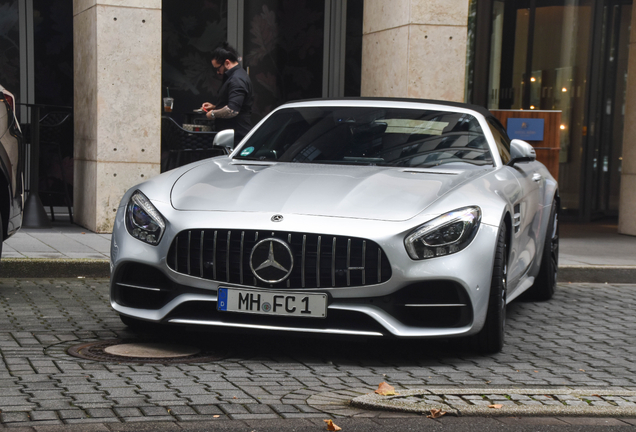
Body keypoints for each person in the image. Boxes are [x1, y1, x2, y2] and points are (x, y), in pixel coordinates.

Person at [201, 43, 253, 145]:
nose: (218, 72)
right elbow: (236, 105)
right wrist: (215, 107)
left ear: (227, 63)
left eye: (218, 68)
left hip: (236, 137)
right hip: (232, 135)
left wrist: (212, 114)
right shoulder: (236, 76)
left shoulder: (237, 79)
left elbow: (232, 110)